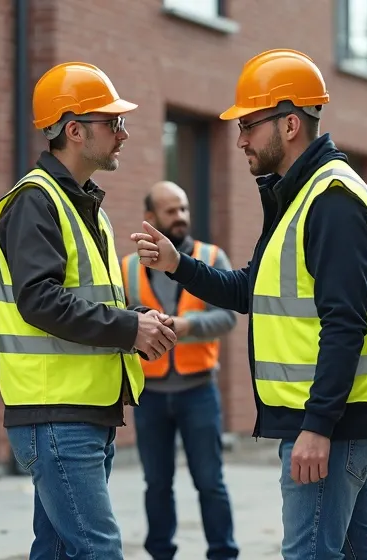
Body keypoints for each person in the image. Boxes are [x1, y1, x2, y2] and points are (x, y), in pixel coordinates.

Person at [129, 48, 367, 560]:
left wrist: (317, 427)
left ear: (291, 123)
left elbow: (345, 324)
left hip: (329, 425)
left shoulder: (331, 201)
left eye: (250, 125)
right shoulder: (299, 197)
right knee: (358, 551)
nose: (240, 140)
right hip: (336, 422)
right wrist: (178, 264)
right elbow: (249, 289)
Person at [0, 61, 178, 560]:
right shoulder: (37, 201)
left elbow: (85, 299)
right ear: (74, 130)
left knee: (56, 550)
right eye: (111, 123)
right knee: (98, 550)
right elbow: (39, 300)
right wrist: (127, 328)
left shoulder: (80, 204)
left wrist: (139, 317)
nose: (124, 133)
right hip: (57, 415)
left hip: (81, 413)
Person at [120, 181, 240, 560]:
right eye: (171, 211)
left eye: (184, 209)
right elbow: (120, 320)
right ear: (151, 217)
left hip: (198, 390)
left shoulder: (210, 257)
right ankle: (160, 553)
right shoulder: (126, 268)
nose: (181, 217)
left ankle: (223, 553)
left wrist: (189, 327)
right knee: (156, 483)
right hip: (151, 394)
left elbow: (229, 318)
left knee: (210, 482)